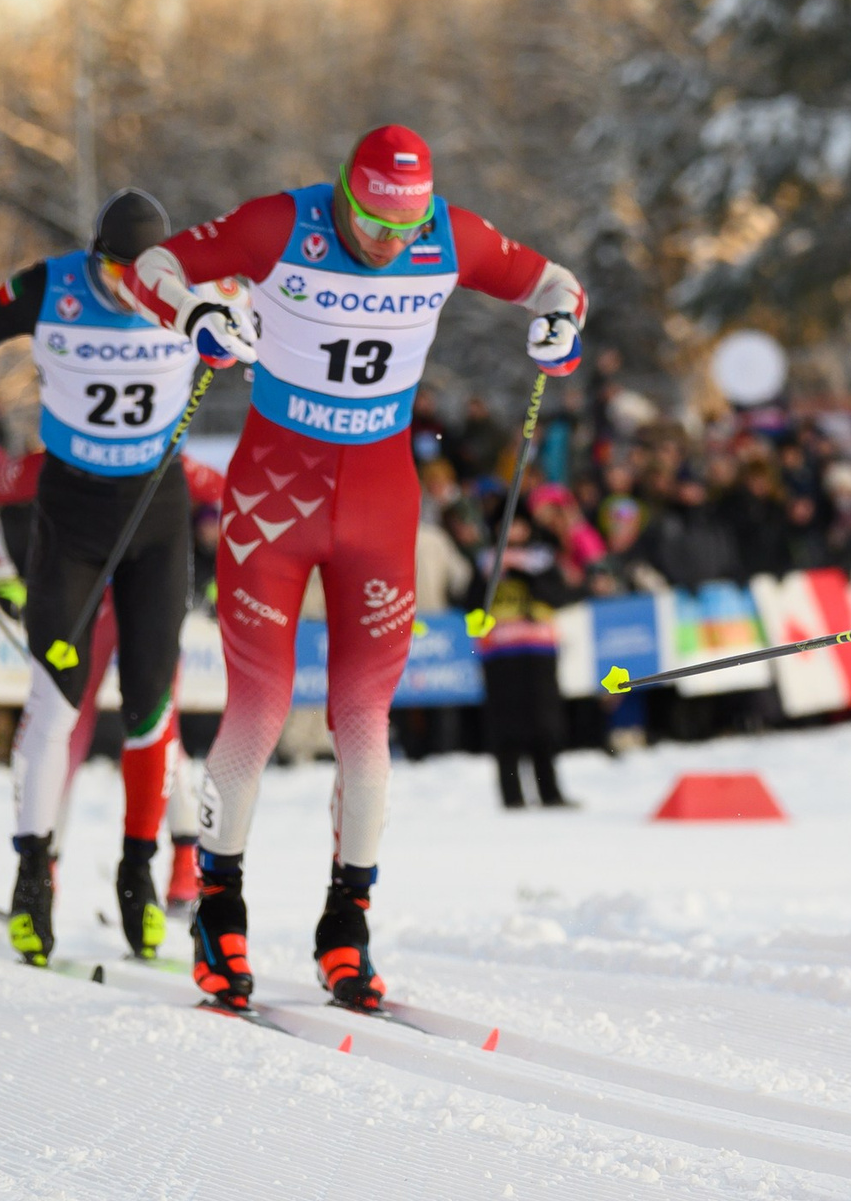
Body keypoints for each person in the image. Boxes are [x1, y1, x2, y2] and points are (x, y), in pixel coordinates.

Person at [122, 123, 585, 1012]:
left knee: (364, 719)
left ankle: (348, 925)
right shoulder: (279, 224)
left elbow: (556, 284)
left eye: (401, 229)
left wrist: (560, 327)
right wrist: (195, 313)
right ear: (344, 189)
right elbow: (150, 268)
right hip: (274, 498)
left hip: (379, 502)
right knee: (259, 705)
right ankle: (219, 911)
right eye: (371, 221)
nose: (384, 244)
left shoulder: (450, 234)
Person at [0, 189, 225, 965]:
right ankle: (31, 875)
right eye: (113, 270)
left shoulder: (198, 288)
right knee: (57, 700)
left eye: (141, 272)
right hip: (73, 519)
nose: (128, 286)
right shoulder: (54, 287)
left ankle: (138, 872)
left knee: (153, 708)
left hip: (155, 521)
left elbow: (284, 323)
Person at [0, 437, 228, 931]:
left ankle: (182, 870)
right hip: (85, 613)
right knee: (64, 733)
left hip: (147, 604)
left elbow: (232, 500)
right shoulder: (61, 460)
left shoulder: (173, 465)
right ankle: (43, 874)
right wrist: (3, 576)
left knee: (159, 728)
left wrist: (213, 573)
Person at [467, 513, 577, 809]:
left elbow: (559, 596)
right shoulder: (484, 563)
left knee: (544, 725)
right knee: (507, 729)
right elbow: (470, 602)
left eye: (517, 524)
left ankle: (549, 792)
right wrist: (489, 580)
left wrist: (527, 578)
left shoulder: (541, 560)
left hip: (537, 651)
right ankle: (512, 795)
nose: (513, 531)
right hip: (499, 654)